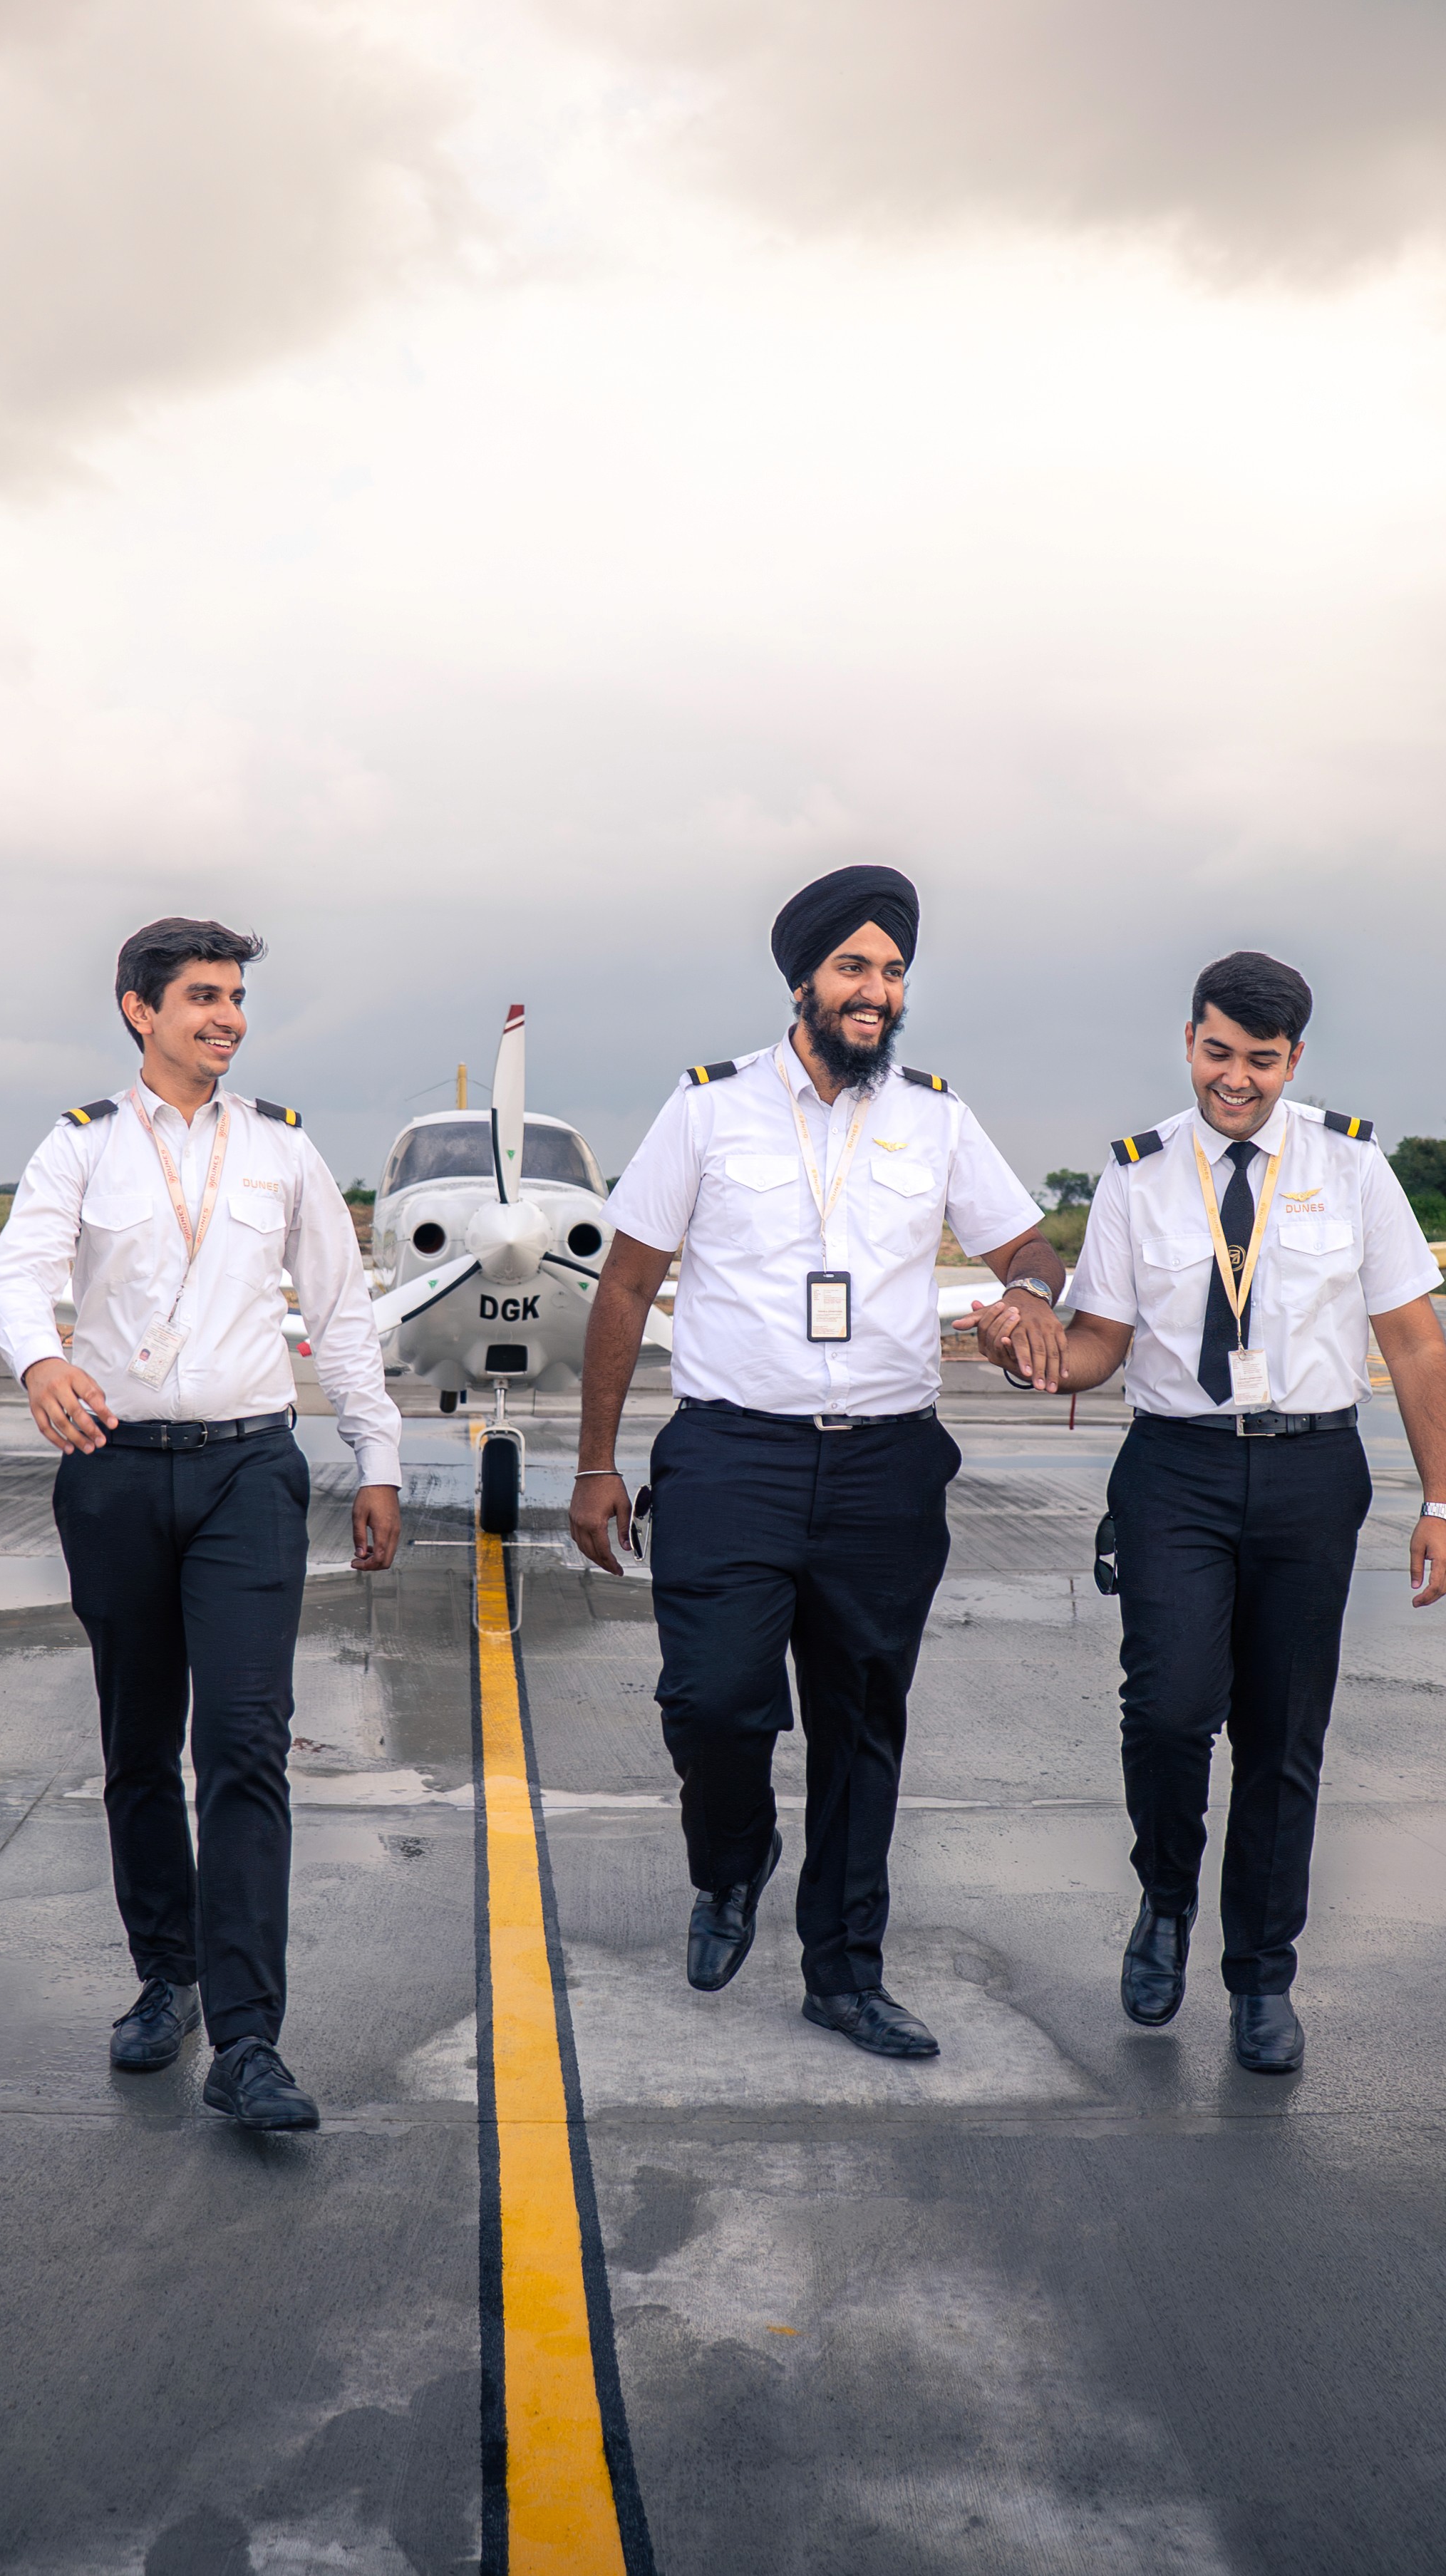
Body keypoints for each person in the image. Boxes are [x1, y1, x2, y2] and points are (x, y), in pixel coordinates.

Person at [568, 866, 1075, 2061]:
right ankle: (732, 1862)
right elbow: (627, 1286)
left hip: (885, 1468)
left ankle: (845, 1975)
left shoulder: (935, 1116)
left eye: (893, 972)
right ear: (802, 980)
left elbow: (1030, 1247)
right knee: (712, 1701)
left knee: (861, 1726)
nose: (876, 991)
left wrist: (1027, 1296)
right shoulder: (708, 1109)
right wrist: (595, 1466)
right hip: (731, 1456)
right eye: (854, 968)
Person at [0, 917, 405, 2133]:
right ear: (140, 1009)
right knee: (137, 1741)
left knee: (243, 1741)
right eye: (203, 998)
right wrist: (41, 1362)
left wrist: (376, 1458)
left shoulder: (281, 1149)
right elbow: (16, 1275)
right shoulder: (81, 1147)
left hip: (246, 1473)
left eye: (234, 998)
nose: (227, 1018)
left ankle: (250, 2038)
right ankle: (166, 1979)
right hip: (114, 1472)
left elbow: (342, 1313)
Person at [1029, 949, 1446, 2074]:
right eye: (1217, 1053)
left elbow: (1413, 1342)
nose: (1235, 1079)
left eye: (1260, 1061)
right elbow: (1100, 1344)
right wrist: (1039, 1355)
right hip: (1175, 1469)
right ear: (1188, 1042)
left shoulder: (1351, 1165)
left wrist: (1441, 1502)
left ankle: (1262, 1976)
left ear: (1294, 1060)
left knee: (1283, 1734)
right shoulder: (1137, 1176)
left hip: (1313, 1470)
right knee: (1169, 1711)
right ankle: (1166, 1900)